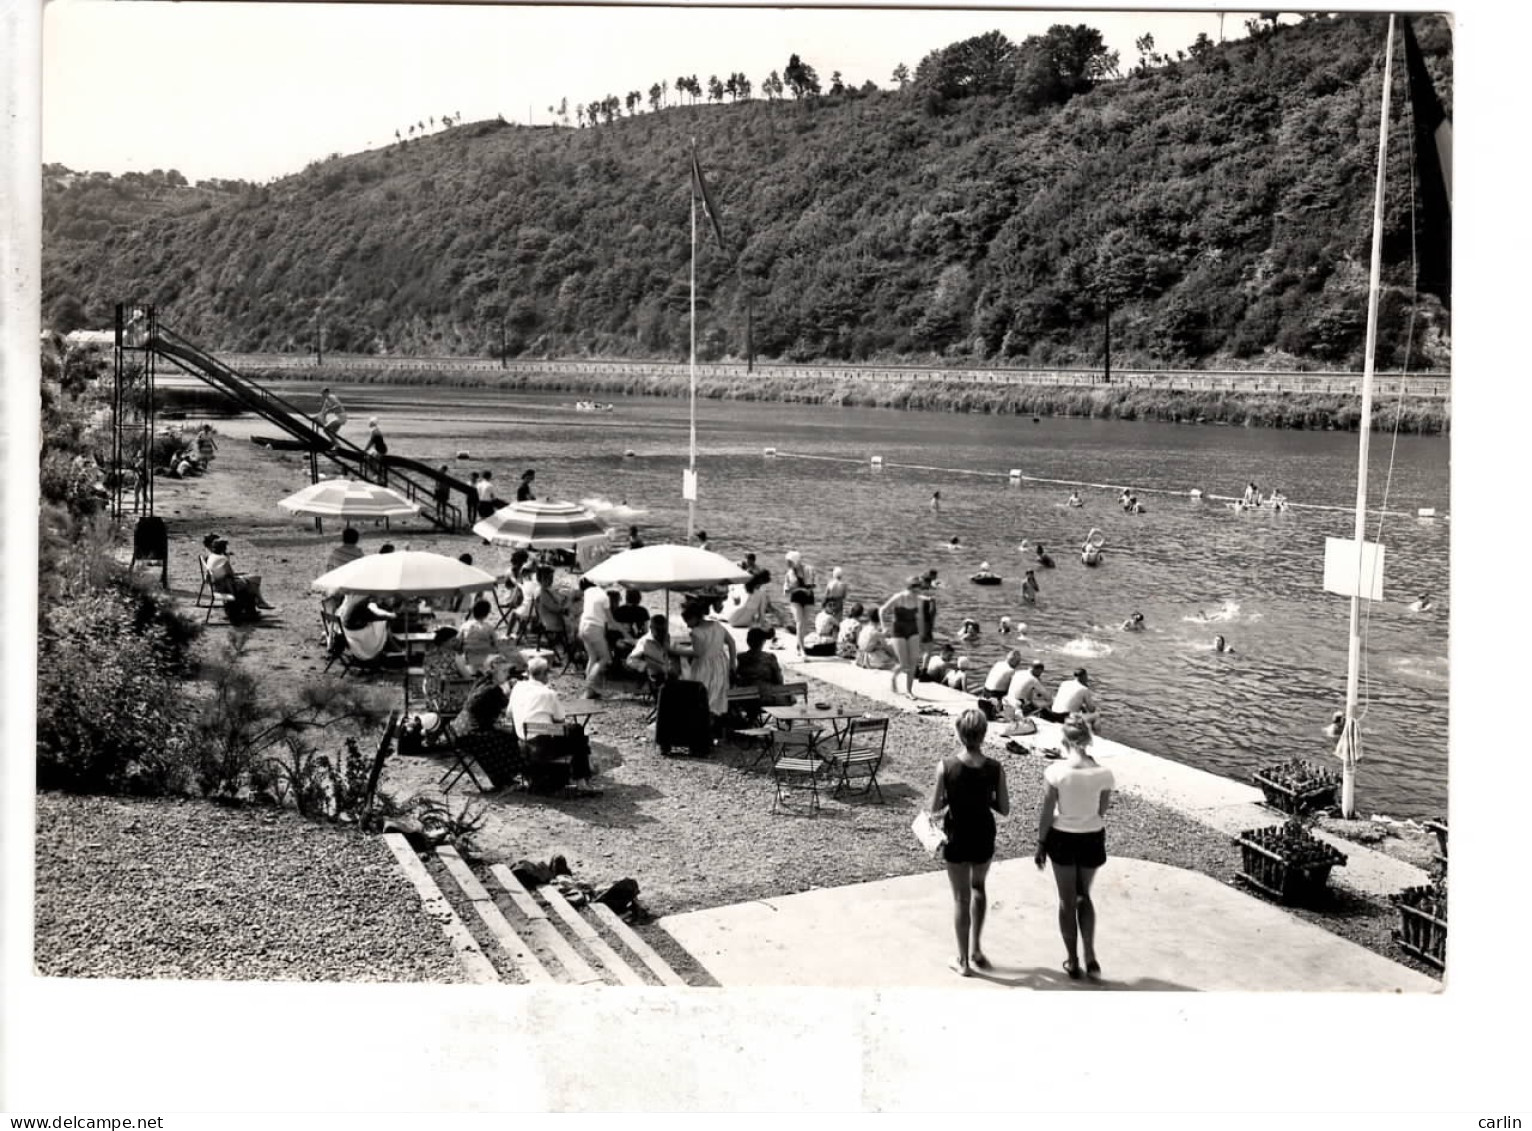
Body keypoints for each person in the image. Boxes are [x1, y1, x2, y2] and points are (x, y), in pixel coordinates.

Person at [928, 708, 1010, 977]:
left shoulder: (946, 766)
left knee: (960, 898)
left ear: (959, 733)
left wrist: (955, 796)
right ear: (984, 734)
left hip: (957, 834)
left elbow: (936, 807)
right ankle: (976, 949)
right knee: (978, 888)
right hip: (983, 833)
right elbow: (1004, 808)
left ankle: (962, 961)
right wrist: (983, 797)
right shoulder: (995, 768)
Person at [1034, 717, 1114, 981]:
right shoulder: (1104, 774)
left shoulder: (1056, 772)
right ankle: (1090, 954)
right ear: (1088, 740)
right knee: (1084, 896)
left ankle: (1073, 959)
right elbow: (1101, 811)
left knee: (1067, 901)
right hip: (1092, 836)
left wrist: (1041, 843)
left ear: (1064, 742)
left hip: (1063, 837)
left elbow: (1047, 812)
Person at [669, 602, 735, 736]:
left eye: (688, 621)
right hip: (720, 664)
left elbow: (697, 652)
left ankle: (702, 730)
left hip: (704, 666)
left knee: (701, 696)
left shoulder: (696, 633)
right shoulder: (717, 625)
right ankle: (713, 727)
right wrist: (732, 662)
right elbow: (732, 643)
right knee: (716, 695)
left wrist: (676, 650)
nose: (687, 625)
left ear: (695, 617)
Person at [878, 577, 925, 698]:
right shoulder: (899, 597)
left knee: (913, 662)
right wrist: (884, 627)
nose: (920, 589)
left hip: (913, 631)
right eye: (918, 587)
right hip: (898, 631)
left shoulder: (919, 600)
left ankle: (909, 691)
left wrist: (922, 634)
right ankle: (894, 677)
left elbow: (919, 618)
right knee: (904, 665)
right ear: (911, 587)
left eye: (920, 587)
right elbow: (882, 610)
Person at [576, 577, 619, 698]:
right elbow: (610, 621)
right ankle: (589, 688)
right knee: (605, 658)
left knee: (593, 657)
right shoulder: (603, 597)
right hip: (594, 629)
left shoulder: (588, 593)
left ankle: (590, 690)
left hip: (583, 627)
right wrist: (626, 633)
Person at [206, 538, 275, 610]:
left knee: (253, 579)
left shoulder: (211, 556)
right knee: (254, 581)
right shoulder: (222, 559)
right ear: (223, 548)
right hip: (225, 586)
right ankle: (259, 602)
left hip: (216, 584)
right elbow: (231, 574)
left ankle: (259, 602)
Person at [627, 614, 681, 685]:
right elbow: (630, 660)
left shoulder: (666, 636)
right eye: (658, 630)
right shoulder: (645, 642)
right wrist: (647, 665)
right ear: (651, 628)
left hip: (670, 672)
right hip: (655, 676)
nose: (661, 633)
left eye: (663, 630)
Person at [782, 551, 817, 658]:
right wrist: (801, 589)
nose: (788, 564)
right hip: (796, 599)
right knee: (799, 623)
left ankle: (799, 644)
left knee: (804, 625)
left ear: (795, 561)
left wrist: (808, 588)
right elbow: (786, 591)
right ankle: (802, 650)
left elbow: (813, 585)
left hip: (808, 598)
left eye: (789, 562)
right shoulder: (789, 574)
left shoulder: (809, 569)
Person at [459, 599, 500, 670]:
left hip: (469, 662)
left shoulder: (464, 626)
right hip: (485, 662)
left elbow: (459, 644)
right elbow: (496, 646)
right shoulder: (489, 627)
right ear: (487, 614)